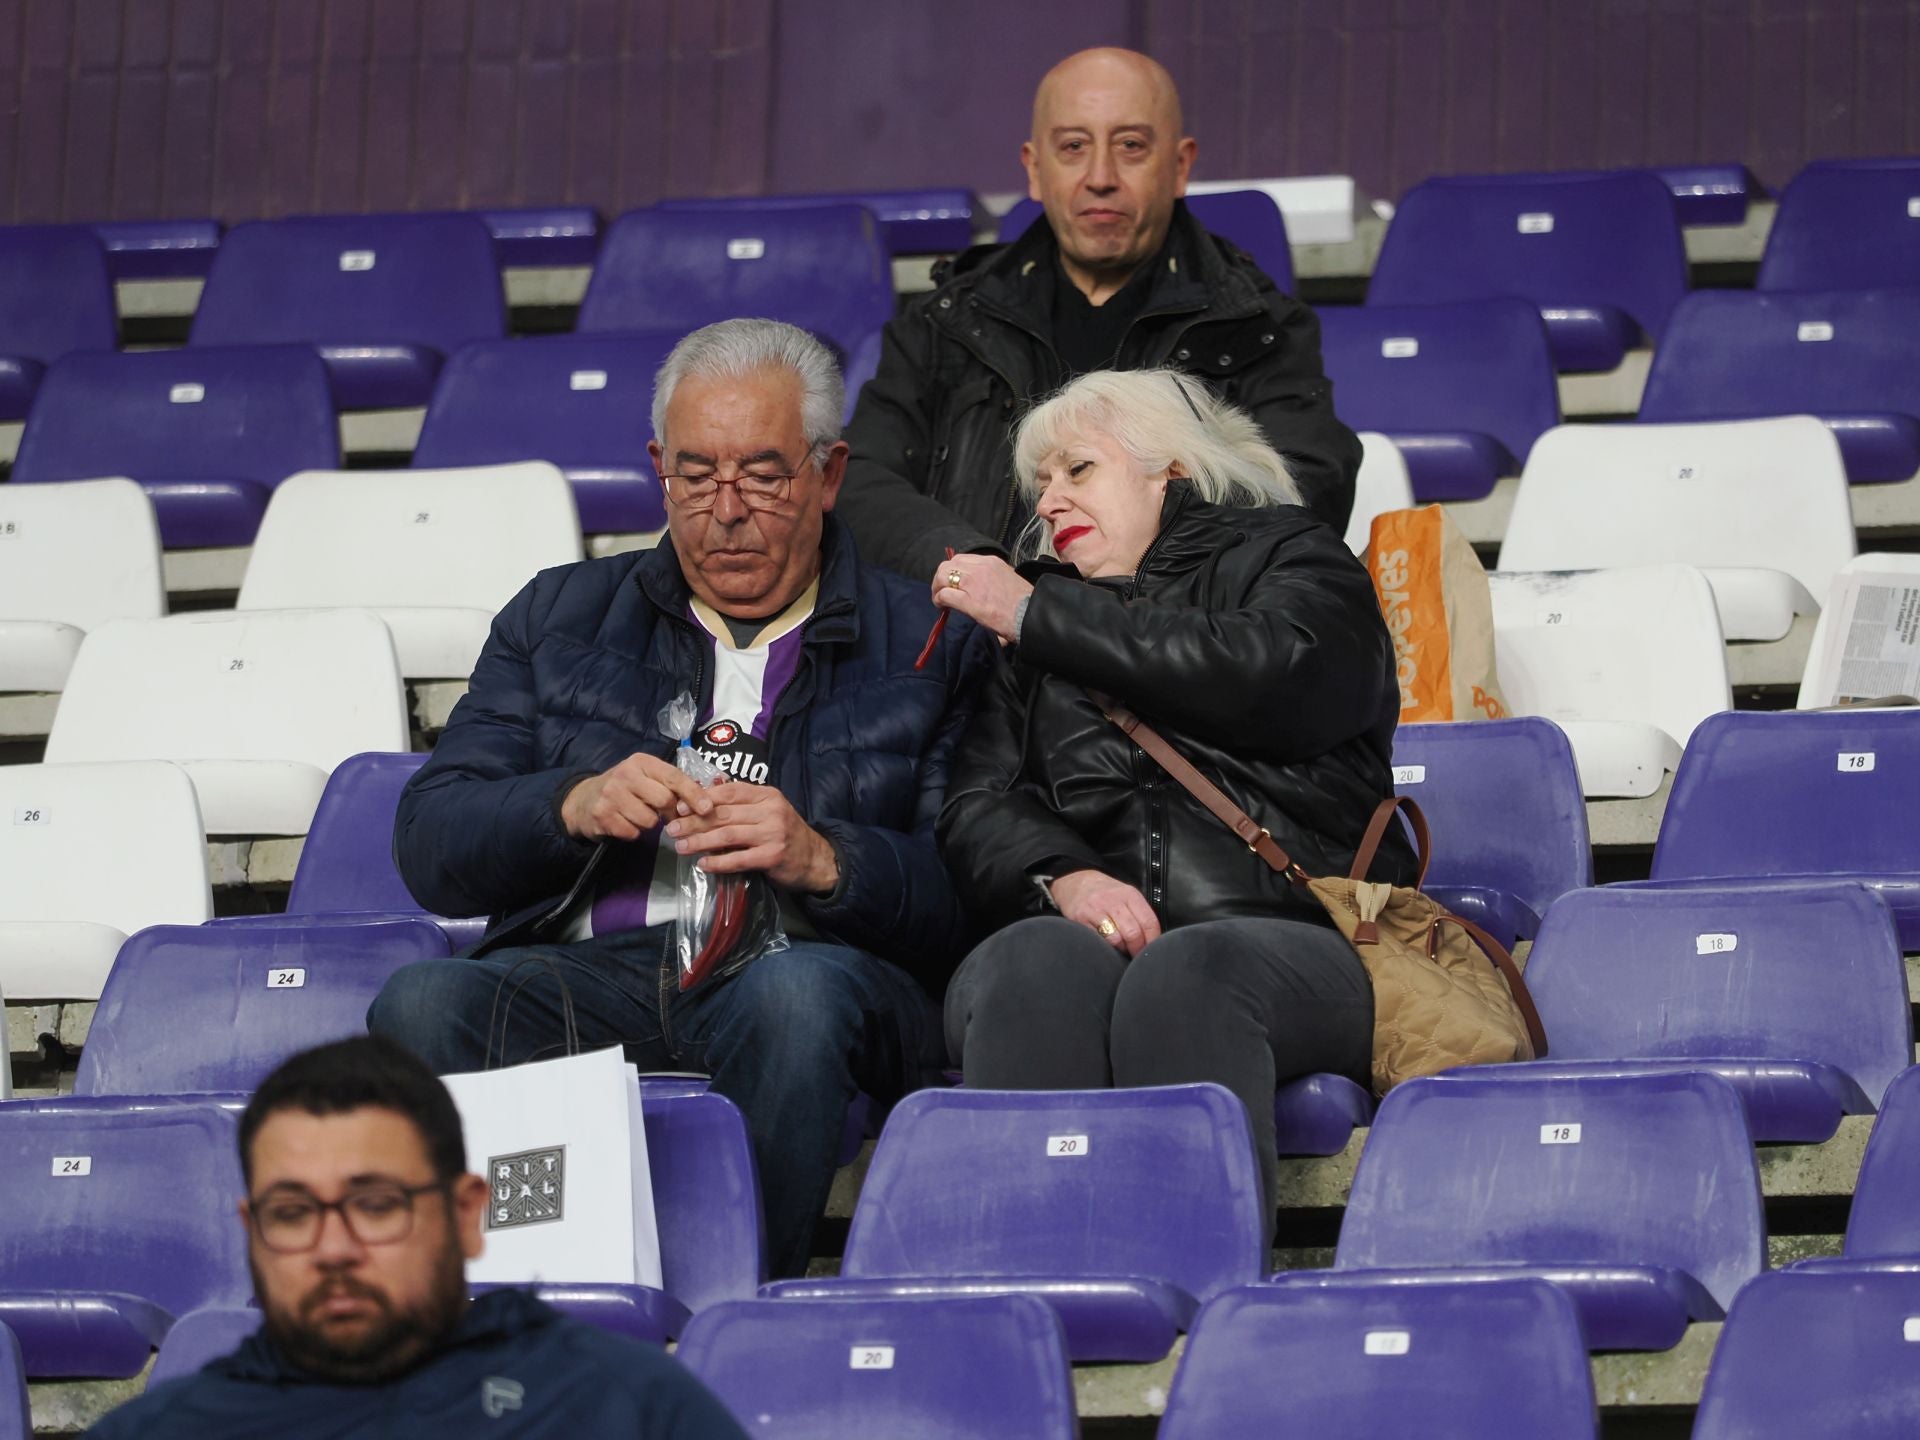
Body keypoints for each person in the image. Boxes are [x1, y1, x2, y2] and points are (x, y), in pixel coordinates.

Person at [366, 319, 994, 1279]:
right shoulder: (558, 615)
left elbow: (967, 899)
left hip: (811, 966)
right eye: (696, 476)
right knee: (420, 1001)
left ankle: (739, 1307)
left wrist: (823, 858)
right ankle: (506, 1314)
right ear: (659, 467)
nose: (726, 511)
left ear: (829, 476)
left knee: (795, 1000)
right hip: (596, 971)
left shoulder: (930, 642)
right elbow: (431, 841)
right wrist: (569, 804)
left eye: (765, 475)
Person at [931, 367, 1415, 1215]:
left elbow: (1280, 673)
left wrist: (1045, 621)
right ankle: (1024, 1296)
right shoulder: (1035, 621)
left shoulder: (1296, 557)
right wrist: (1064, 876)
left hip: (1302, 937)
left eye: (1078, 470)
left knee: (1190, 972)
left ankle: (1204, 1292)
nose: (1047, 502)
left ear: (1173, 471)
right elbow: (977, 801)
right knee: (1028, 959)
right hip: (1093, 944)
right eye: (1040, 483)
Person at [838, 45, 1362, 581]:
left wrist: (1112, 604)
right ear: (1035, 168)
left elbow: (1304, 488)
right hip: (963, 644)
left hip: (1169, 646)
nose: (1101, 176)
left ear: (1180, 167)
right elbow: (857, 479)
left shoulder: (1256, 323)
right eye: (1073, 147)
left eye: (1131, 146)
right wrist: (970, 567)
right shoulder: (946, 321)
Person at [87, 1036, 746, 1438]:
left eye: (375, 1206)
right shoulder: (159, 1432)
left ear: (466, 1215)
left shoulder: (622, 1407)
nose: (333, 1248)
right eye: (291, 1213)